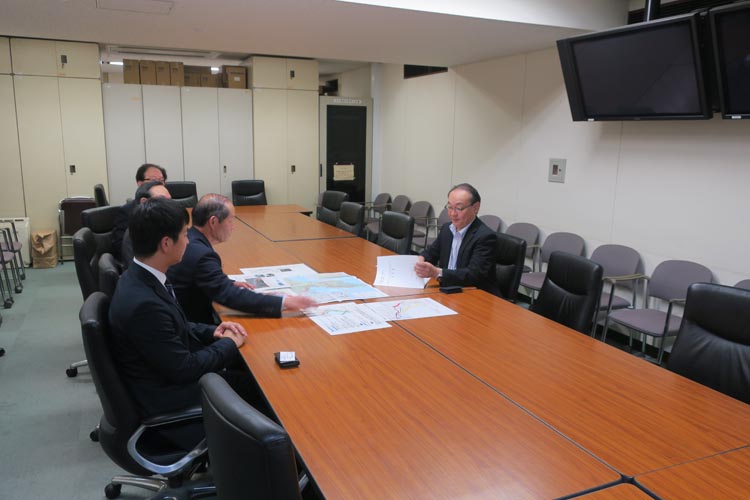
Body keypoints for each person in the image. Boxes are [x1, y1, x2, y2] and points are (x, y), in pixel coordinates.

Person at [109, 197, 246, 450]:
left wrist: (213, 331)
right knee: (267, 398)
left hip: (167, 379)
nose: (189, 241)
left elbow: (175, 326)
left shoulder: (141, 276)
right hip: (173, 407)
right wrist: (228, 344)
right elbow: (185, 368)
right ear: (166, 243)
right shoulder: (143, 305)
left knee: (249, 378)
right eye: (184, 234)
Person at [167, 194, 316, 324]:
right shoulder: (201, 254)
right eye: (231, 220)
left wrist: (229, 283)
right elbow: (229, 296)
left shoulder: (192, 239)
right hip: (194, 327)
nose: (233, 227)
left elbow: (205, 278)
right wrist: (285, 302)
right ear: (213, 222)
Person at [414, 183, 499, 294]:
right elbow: (431, 253)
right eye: (449, 207)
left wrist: (436, 272)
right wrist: (421, 260)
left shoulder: (485, 237)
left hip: (473, 293)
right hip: (447, 289)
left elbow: (474, 275)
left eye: (459, 208)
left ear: (475, 207)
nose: (452, 214)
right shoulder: (447, 229)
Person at [111, 163, 168, 261]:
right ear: (140, 183)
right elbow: (121, 246)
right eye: (153, 180)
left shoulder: (167, 208)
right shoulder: (127, 211)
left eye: (161, 180)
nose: (159, 183)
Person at [120, 180, 172, 268]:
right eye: (163, 200)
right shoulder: (138, 233)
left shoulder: (161, 226)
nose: (170, 205)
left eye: (170, 200)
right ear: (144, 202)